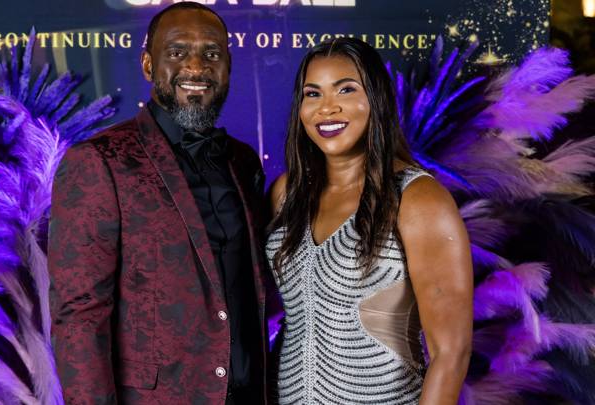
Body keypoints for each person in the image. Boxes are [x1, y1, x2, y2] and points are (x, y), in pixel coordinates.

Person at [48, 3, 274, 404]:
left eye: (212, 53)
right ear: (148, 65)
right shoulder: (99, 161)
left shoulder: (243, 162)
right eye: (176, 52)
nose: (196, 66)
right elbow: (79, 319)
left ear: (228, 66)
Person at [266, 38, 473, 404]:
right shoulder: (288, 192)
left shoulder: (416, 198)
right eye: (312, 94)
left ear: (375, 98)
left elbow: (451, 353)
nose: (327, 109)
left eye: (345, 89)